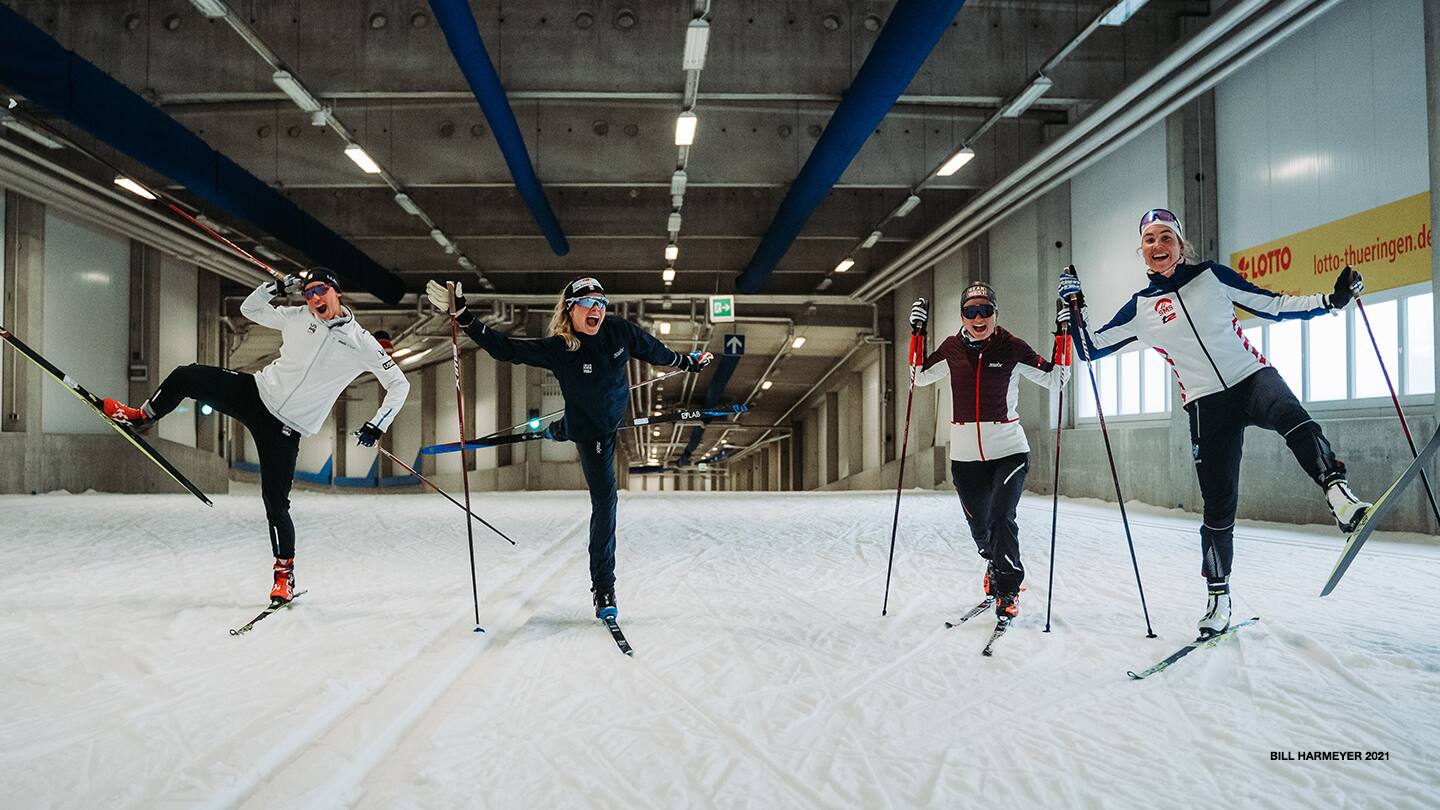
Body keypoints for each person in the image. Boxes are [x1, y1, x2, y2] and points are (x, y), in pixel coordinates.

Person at [1058, 208, 1369, 637]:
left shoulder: (1212, 276)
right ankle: (1218, 599)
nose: (1158, 246)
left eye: (1166, 237)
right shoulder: (1141, 308)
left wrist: (1330, 301)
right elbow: (1090, 348)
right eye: (1149, 240)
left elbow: (1273, 304)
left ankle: (1339, 496)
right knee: (1219, 506)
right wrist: (1074, 306)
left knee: (1293, 418)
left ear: (1180, 245)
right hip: (1206, 404)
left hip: (1250, 376)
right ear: (1143, 252)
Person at [103, 268, 410, 604]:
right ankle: (142, 416)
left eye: (320, 290)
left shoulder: (361, 342)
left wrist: (378, 423)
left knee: (276, 505)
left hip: (286, 428)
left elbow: (399, 384)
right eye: (307, 293)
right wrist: (275, 287)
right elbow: (250, 310)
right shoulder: (296, 317)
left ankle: (284, 577)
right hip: (256, 393)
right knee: (186, 376)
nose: (314, 299)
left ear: (337, 292)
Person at [425, 276, 712, 620]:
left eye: (601, 303)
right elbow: (506, 349)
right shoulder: (560, 348)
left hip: (606, 422)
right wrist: (465, 317)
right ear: (570, 309)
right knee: (596, 482)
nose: (597, 310)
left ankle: (602, 583)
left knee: (597, 484)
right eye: (588, 303)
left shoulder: (620, 331)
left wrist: (687, 362)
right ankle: (603, 584)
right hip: (589, 430)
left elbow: (657, 352)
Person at [908, 282, 1070, 619]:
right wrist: (917, 335)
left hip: (1009, 452)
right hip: (965, 459)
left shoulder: (1012, 348)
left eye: (985, 310)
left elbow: (1057, 379)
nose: (978, 317)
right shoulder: (951, 349)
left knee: (1000, 518)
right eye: (971, 311)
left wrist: (1063, 334)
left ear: (996, 314)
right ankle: (994, 563)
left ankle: (1008, 589)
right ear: (963, 316)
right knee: (981, 530)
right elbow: (918, 378)